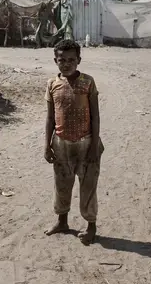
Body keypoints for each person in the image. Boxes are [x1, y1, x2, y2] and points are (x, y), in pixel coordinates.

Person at [43, 39, 104, 245]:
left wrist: (95, 146)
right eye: (62, 60)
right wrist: (47, 144)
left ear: (79, 60)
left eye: (71, 60)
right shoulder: (52, 84)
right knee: (62, 184)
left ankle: (91, 226)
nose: (66, 64)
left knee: (88, 186)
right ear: (55, 60)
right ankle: (62, 221)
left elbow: (95, 116)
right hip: (61, 144)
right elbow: (50, 117)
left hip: (87, 144)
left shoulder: (88, 82)